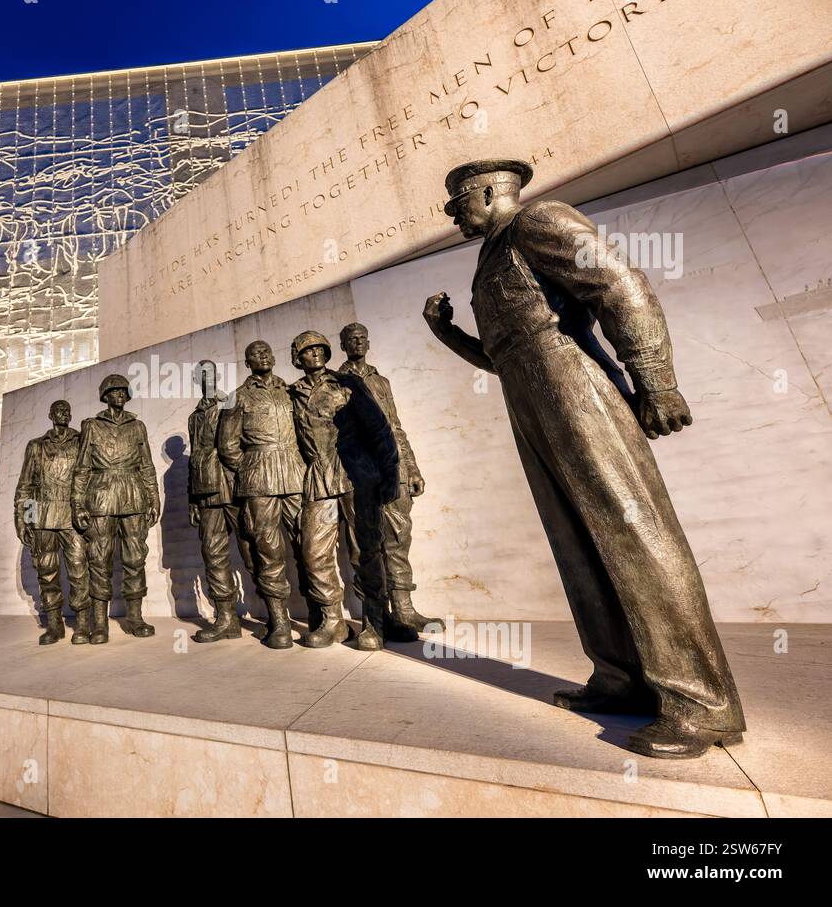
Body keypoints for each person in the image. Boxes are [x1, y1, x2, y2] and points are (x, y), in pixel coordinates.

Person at [425, 158, 745, 759]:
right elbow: (505, 354)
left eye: (458, 202)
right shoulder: (491, 256)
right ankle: (621, 677)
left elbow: (619, 284)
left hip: (577, 391)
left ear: (491, 191)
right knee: (576, 539)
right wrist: (449, 335)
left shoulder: (538, 221)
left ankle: (702, 704)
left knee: (633, 532)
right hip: (531, 396)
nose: (453, 215)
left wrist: (654, 378)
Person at [288, 330, 399, 650]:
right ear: (298, 358)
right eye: (308, 351)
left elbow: (380, 429)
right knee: (313, 551)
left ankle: (374, 622)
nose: (316, 354)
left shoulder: (347, 384)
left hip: (355, 471)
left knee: (365, 549)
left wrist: (390, 473)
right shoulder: (292, 393)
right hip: (318, 475)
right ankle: (332, 621)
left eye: (320, 348)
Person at [337, 322, 444, 640]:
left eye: (361, 338)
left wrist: (412, 467)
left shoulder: (381, 381)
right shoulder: (336, 383)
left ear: (367, 342)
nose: (357, 342)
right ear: (343, 345)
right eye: (350, 339)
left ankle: (404, 608)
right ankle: (377, 614)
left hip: (392, 468)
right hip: (356, 472)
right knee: (364, 546)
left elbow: (395, 426)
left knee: (399, 539)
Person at [216, 340, 307, 649]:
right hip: (258, 477)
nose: (263, 356)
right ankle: (279, 621)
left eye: (268, 351)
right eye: (256, 353)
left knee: (306, 543)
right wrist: (252, 466)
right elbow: (228, 446)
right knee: (268, 550)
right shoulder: (236, 398)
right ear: (247, 363)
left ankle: (320, 618)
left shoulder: (290, 391)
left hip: (294, 473)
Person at [71, 374, 160, 644]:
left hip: (133, 494)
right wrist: (77, 503)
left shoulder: (138, 426)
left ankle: (135, 616)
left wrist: (154, 498)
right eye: (114, 390)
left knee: (135, 559)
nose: (120, 394)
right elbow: (83, 466)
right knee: (99, 561)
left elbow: (146, 465)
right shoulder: (92, 426)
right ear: (105, 395)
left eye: (123, 390)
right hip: (101, 497)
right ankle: (100, 624)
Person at [188, 360, 254, 643]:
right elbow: (194, 457)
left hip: (232, 487)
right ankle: (226, 618)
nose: (207, 378)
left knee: (253, 548)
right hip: (206, 492)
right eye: (201, 375)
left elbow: (243, 445)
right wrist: (192, 499)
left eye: (211, 373)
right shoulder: (194, 417)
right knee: (213, 554)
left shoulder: (230, 403)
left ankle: (278, 615)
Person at [14, 399, 90, 644]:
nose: (63, 413)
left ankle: (82, 624)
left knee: (79, 569)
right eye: (58, 410)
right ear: (50, 415)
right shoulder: (36, 446)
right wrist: (23, 520)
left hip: (71, 515)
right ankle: (55, 625)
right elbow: (26, 485)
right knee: (47, 573)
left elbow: (90, 478)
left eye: (67, 410)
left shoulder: (81, 441)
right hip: (42, 516)